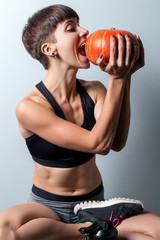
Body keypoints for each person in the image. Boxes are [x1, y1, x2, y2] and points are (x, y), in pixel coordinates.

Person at [0, 4, 160, 240]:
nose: (84, 31)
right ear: (49, 49)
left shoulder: (94, 90)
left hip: (94, 203)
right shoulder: (30, 107)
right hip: (47, 206)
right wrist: (116, 78)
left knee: (156, 232)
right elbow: (97, 144)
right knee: (6, 229)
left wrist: (124, 78)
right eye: (71, 28)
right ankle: (91, 230)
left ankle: (92, 225)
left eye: (80, 24)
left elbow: (114, 142)